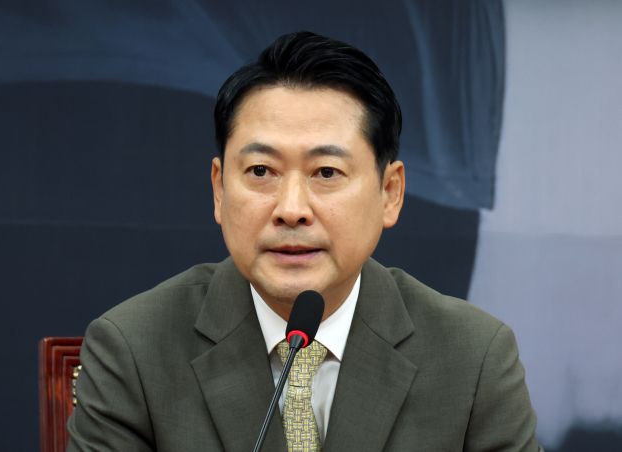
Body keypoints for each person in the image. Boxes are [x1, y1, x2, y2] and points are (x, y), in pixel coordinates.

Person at [67, 31, 542, 451]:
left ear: (390, 192)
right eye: (261, 171)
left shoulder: (473, 358)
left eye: (326, 172)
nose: (291, 208)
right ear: (219, 190)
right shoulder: (133, 350)